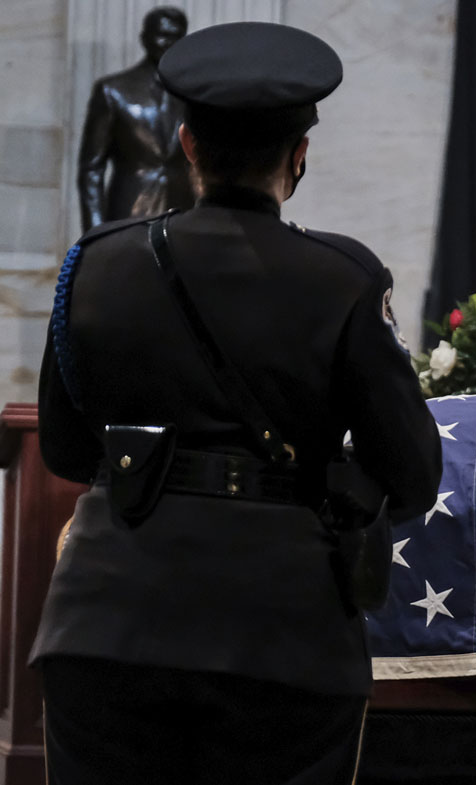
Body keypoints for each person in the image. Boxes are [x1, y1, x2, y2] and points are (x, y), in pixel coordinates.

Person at [32, 22, 442, 784]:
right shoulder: (344, 278)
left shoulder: (96, 264)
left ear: (186, 145)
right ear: (299, 154)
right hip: (281, 631)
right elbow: (413, 475)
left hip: (108, 618)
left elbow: (63, 448)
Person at [76, 6, 195, 231]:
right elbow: (91, 169)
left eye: (176, 37)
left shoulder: (193, 93)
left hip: (183, 215)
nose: (168, 43)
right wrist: (95, 233)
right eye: (161, 35)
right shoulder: (113, 91)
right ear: (145, 38)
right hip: (129, 211)